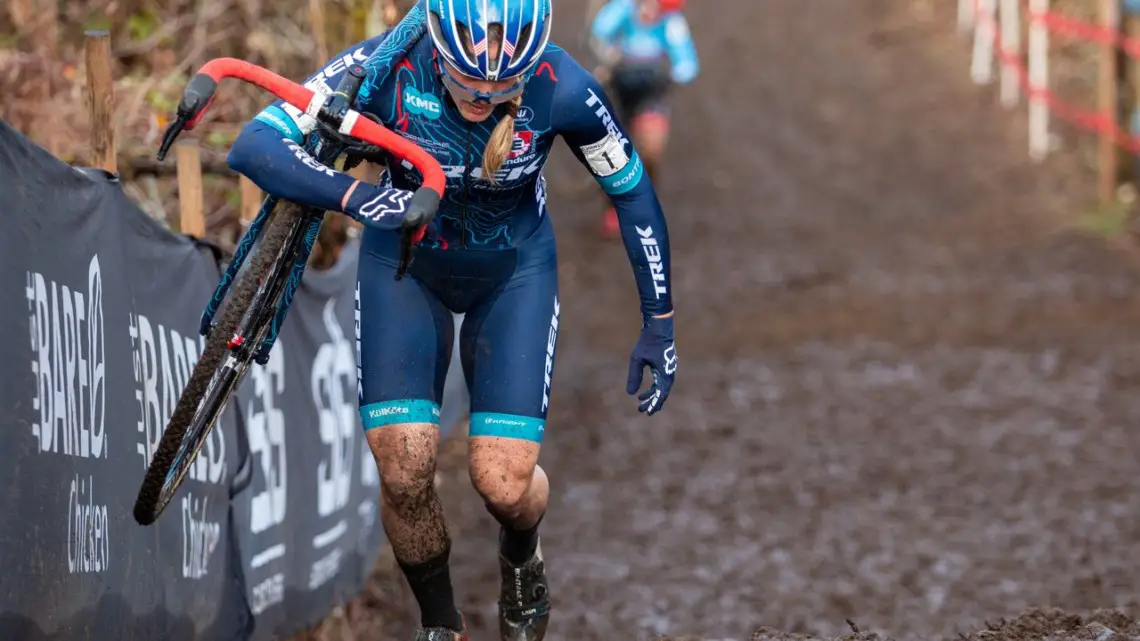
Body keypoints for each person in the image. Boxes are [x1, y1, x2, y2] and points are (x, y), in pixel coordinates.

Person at [226, 2, 680, 640]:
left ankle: (522, 552)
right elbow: (254, 143)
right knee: (404, 466)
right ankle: (441, 624)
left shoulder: (564, 85)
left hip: (514, 273)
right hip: (405, 269)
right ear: (437, 48)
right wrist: (360, 197)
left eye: (502, 88)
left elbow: (631, 191)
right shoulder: (385, 65)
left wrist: (658, 320)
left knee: (501, 482)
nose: (484, 99)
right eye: (468, 85)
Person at [589, 0, 698, 239]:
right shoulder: (624, 10)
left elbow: (687, 63)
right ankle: (614, 206)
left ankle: (641, 204)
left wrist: (672, 74)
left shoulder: (672, 23)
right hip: (619, 93)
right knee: (613, 154)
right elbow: (600, 30)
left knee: (650, 150)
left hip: (651, 95)